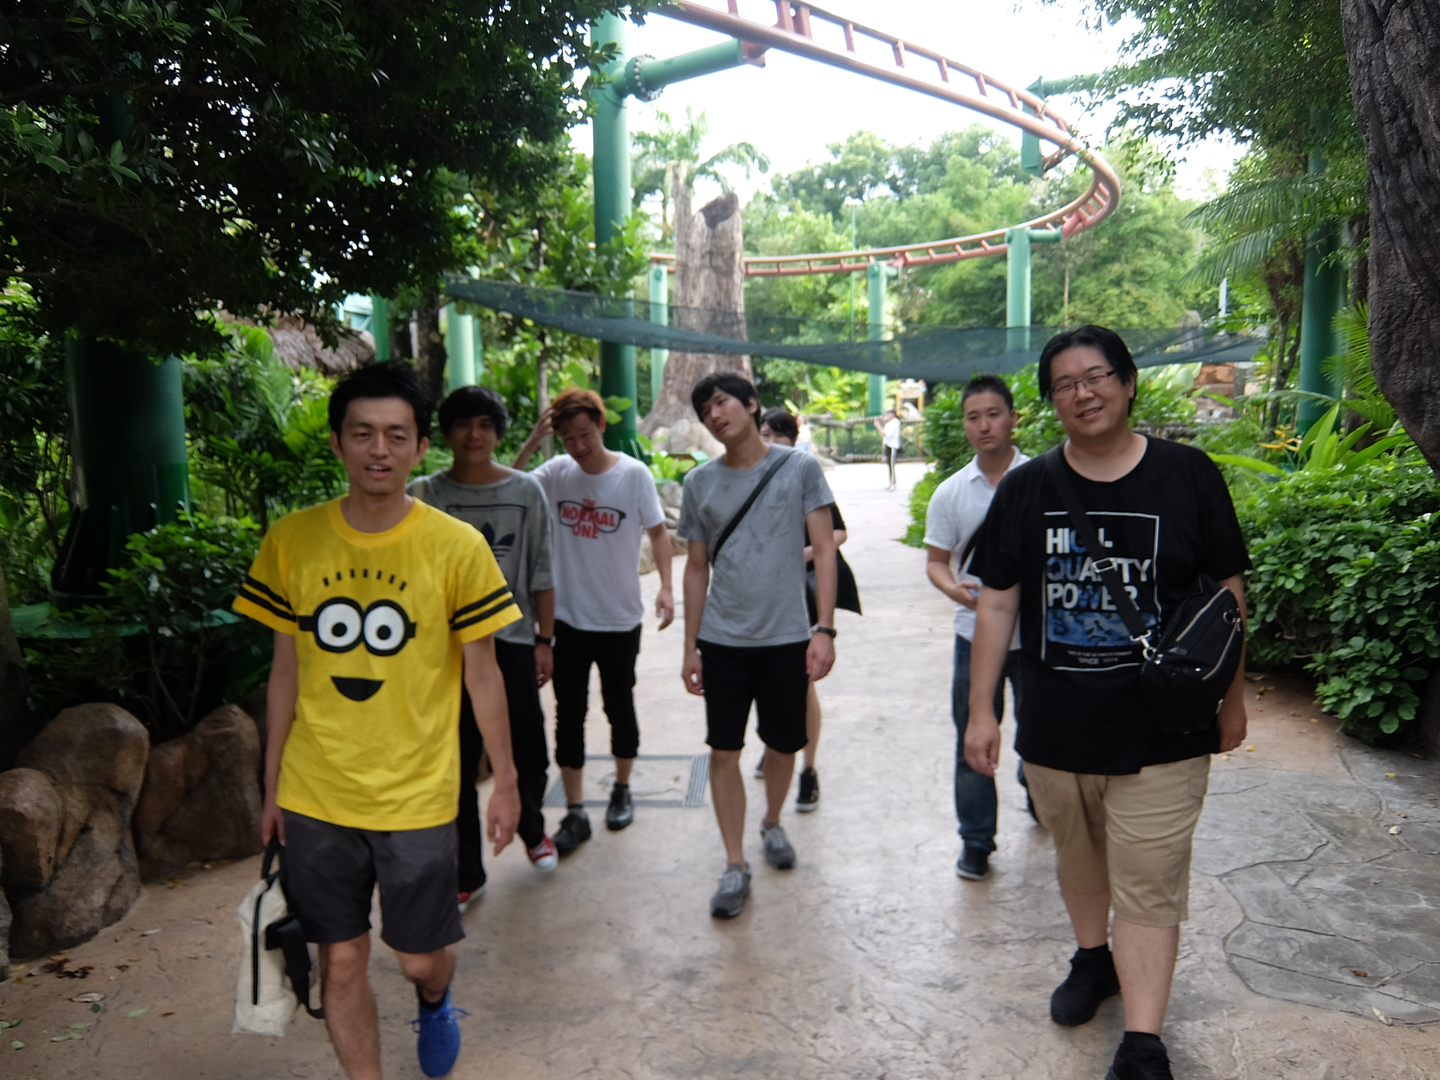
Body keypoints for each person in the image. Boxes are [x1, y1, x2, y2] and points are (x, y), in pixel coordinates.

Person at [964, 326, 1249, 1080]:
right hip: (1056, 724)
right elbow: (997, 603)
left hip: (1164, 725)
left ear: (1127, 383)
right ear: (1050, 402)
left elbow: (1227, 594)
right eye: (1064, 384)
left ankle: (1143, 1041)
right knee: (1079, 856)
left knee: (1149, 879)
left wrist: (1233, 698)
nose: (1082, 393)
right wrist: (982, 710)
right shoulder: (1027, 489)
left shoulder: (1188, 475)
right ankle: (1094, 959)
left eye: (1096, 376)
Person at [235, 361, 522, 1080]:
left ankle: (435, 998)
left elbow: (483, 674)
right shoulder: (292, 539)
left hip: (417, 792)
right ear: (337, 442)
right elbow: (285, 672)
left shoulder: (456, 546)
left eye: (397, 435)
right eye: (362, 433)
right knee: (340, 958)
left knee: (418, 957)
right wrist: (271, 787)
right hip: (317, 789)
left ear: (421, 447)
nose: (379, 450)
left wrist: (509, 782)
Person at [678, 373, 838, 918]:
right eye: (705, 410)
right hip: (723, 640)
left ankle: (771, 822)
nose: (714, 415)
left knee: (784, 744)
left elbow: (824, 548)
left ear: (751, 404)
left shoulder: (799, 468)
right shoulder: (700, 482)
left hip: (787, 637)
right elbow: (695, 568)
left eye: (722, 402)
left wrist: (824, 629)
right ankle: (734, 862)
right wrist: (690, 647)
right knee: (723, 751)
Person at [409, 385, 559, 904]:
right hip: (444, 651)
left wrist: (545, 639)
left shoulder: (526, 491)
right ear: (445, 434)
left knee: (529, 750)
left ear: (498, 433)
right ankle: (467, 873)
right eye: (463, 425)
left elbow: (542, 570)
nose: (474, 435)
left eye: (485, 425)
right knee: (456, 760)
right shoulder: (424, 493)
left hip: (512, 641)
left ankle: (532, 828)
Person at [510, 387, 675, 853]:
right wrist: (533, 442)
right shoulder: (556, 473)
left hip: (619, 617)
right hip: (566, 620)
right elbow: (509, 488)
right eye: (568, 438)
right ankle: (576, 810)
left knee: (619, 705)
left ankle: (622, 788)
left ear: (601, 426)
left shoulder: (633, 474)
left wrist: (666, 586)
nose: (578, 446)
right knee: (569, 713)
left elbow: (659, 533)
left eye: (585, 434)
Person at [922, 375, 1029, 881]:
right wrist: (954, 590)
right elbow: (936, 562)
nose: (984, 425)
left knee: (1043, 732)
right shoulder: (950, 493)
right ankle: (976, 840)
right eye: (973, 417)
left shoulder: (1044, 479)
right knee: (973, 738)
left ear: (1012, 418)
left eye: (993, 414)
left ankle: (1039, 792)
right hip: (973, 635)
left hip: (1037, 637)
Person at [754, 407, 862, 812]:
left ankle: (808, 770)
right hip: (764, 596)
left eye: (778, 434)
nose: (770, 442)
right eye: (764, 434)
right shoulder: (747, 476)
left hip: (803, 593)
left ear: (793, 439)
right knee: (767, 681)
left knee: (802, 683)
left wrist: (804, 553)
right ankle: (776, 747)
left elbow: (839, 531)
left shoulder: (804, 473)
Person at [873, 408, 902, 490]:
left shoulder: (895, 422)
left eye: (888, 414)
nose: (886, 416)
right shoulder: (889, 423)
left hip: (892, 446)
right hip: (888, 445)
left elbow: (886, 434)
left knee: (892, 466)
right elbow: (883, 434)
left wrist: (878, 426)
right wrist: (878, 426)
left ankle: (893, 485)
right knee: (889, 465)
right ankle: (891, 483)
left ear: (892, 414)